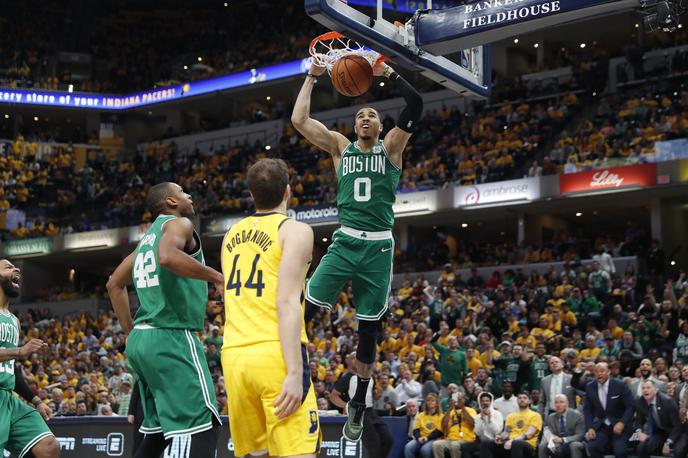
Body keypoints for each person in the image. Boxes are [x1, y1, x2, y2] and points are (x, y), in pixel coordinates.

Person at [292, 57, 422, 441]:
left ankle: (359, 403)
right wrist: (312, 79)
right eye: (360, 114)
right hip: (345, 240)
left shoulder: (393, 147)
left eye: (372, 115)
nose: (365, 118)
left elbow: (415, 105)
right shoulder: (339, 147)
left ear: (382, 126)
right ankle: (290, 372)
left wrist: (390, 75)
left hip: (379, 249)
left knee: (369, 335)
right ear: (353, 125)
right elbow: (300, 121)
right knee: (305, 311)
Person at [107, 182, 223, 458]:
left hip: (142, 341)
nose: (189, 195)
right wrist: (217, 277)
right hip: (171, 335)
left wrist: (129, 332)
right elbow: (168, 256)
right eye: (184, 192)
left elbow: (114, 284)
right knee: (203, 425)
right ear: (171, 201)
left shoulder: (146, 240)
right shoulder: (179, 223)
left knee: (158, 434)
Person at [219, 159, 320, 458]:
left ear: (251, 195)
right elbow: (286, 301)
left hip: (235, 357)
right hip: (274, 353)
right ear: (288, 191)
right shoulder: (296, 231)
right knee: (298, 452)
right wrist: (294, 371)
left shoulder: (229, 236)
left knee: (257, 454)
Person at [0, 259, 60, 458]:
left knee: (48, 446)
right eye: (8, 267)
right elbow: (16, 354)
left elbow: (12, 369)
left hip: (8, 399)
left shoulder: (14, 320)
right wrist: (19, 351)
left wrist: (36, 400)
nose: (16, 269)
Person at [330, 352, 393, 458]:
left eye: (358, 357)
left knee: (388, 440)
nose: (357, 359)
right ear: (349, 362)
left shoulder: (370, 376)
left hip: (370, 411)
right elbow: (333, 396)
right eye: (353, 357)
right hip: (358, 414)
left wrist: (377, 393)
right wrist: (347, 406)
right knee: (373, 443)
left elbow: (373, 395)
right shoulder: (347, 377)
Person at [582, 362, 635, 458]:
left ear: (609, 372)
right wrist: (590, 427)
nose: (599, 374)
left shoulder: (620, 385)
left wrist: (622, 423)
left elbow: (630, 406)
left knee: (620, 452)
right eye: (596, 371)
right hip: (602, 426)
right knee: (592, 447)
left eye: (602, 371)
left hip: (620, 426)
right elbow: (587, 409)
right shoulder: (590, 387)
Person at [481, 391, 542, 458]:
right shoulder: (511, 416)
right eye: (520, 398)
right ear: (517, 400)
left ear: (529, 401)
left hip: (527, 444)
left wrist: (512, 440)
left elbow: (529, 435)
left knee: (516, 444)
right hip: (509, 442)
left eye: (525, 398)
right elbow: (506, 432)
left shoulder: (535, 415)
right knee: (486, 443)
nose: (522, 400)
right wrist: (500, 437)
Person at [634, 379, 684, 458]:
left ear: (655, 390)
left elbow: (677, 426)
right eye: (643, 388)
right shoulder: (640, 402)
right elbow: (638, 421)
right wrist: (639, 432)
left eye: (648, 388)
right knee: (641, 448)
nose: (645, 390)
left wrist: (668, 442)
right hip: (660, 432)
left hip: (675, 433)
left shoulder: (668, 402)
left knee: (678, 452)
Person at [432, 391, 479, 458]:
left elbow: (473, 424)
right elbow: (443, 426)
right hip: (450, 439)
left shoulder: (470, 410)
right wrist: (449, 410)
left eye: (460, 398)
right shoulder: (450, 412)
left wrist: (462, 408)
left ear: (464, 399)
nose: (457, 400)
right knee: (436, 444)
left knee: (454, 445)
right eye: (456, 398)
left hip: (466, 439)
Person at [405, 393, 443, 458]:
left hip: (434, 439)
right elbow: (416, 429)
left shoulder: (441, 416)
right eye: (428, 400)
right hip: (421, 438)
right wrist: (418, 438)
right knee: (408, 447)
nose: (430, 402)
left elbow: (439, 432)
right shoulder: (421, 415)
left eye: (432, 400)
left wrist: (427, 438)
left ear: (436, 403)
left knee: (425, 450)